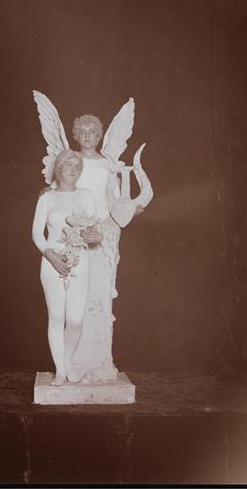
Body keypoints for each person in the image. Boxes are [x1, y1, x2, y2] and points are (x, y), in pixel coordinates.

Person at [71, 114, 153, 381]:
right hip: (75, 229)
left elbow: (116, 197)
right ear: (75, 135)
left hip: (105, 231)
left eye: (92, 131)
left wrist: (128, 210)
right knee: (75, 295)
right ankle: (71, 363)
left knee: (101, 294)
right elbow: (60, 189)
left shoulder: (108, 163)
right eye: (82, 131)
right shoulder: (69, 159)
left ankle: (100, 361)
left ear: (99, 136)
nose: (87, 135)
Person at [32, 149, 101, 386]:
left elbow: (96, 232)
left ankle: (68, 360)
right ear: (59, 168)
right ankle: (61, 370)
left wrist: (96, 236)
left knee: (75, 320)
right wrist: (51, 256)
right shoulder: (46, 198)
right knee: (56, 317)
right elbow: (37, 234)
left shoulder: (86, 195)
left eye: (77, 166)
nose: (74, 169)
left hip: (80, 261)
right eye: (69, 165)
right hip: (52, 262)